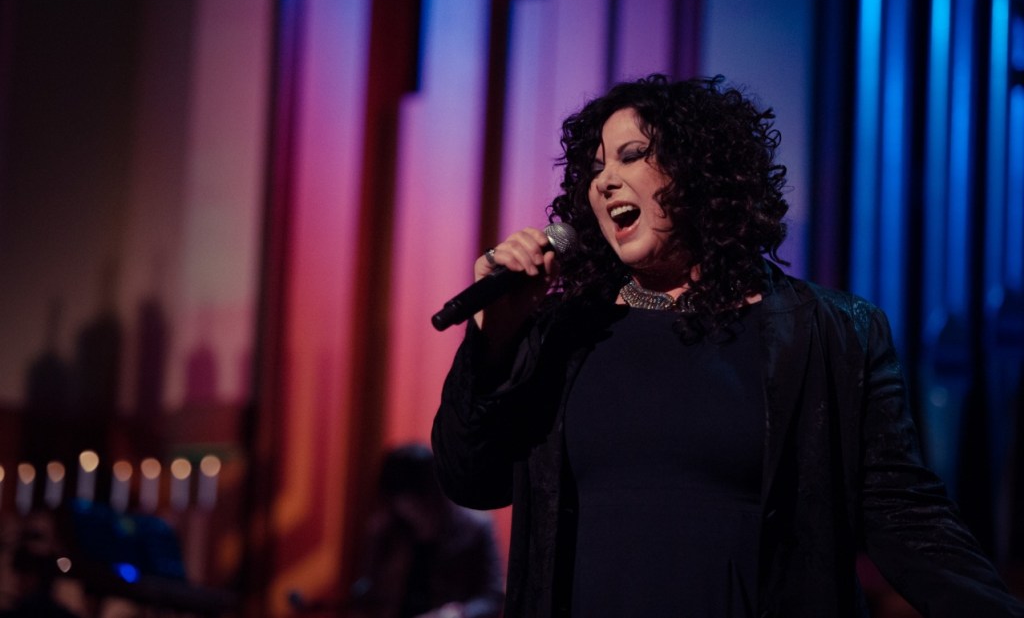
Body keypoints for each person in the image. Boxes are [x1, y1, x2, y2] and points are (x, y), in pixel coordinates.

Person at [430, 74, 1024, 617]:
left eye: (633, 155)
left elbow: (905, 516)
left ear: (701, 172)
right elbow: (470, 480)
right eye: (594, 167)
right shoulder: (564, 334)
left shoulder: (830, 333)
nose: (605, 179)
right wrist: (495, 336)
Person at [347, 443, 504, 618]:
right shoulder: (384, 530)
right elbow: (367, 589)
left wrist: (458, 613)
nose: (411, 508)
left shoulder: (475, 527)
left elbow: (493, 597)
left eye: (418, 499)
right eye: (403, 500)